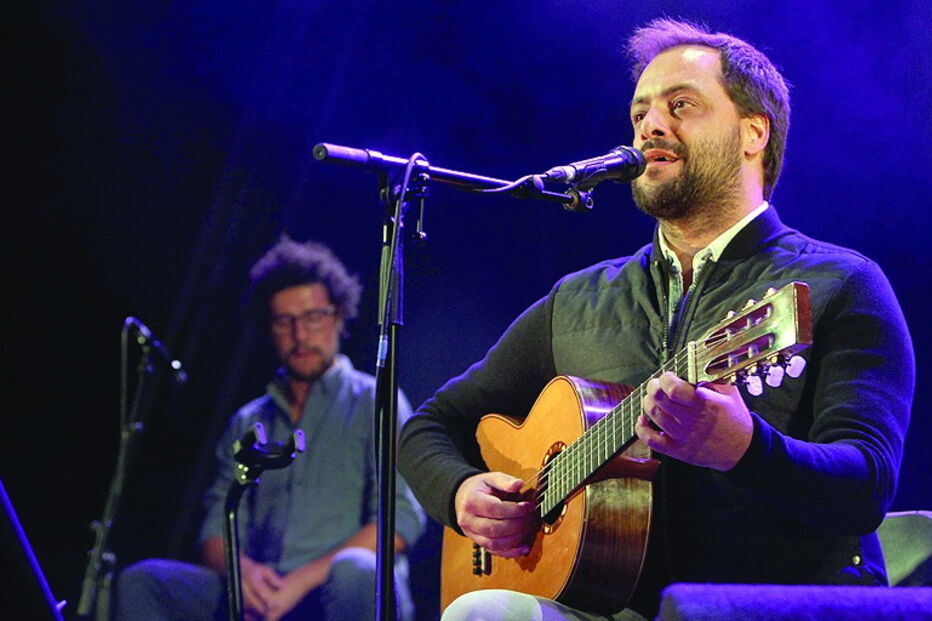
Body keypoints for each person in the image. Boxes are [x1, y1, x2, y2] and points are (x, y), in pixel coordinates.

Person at [398, 18, 914, 621]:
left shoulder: (839, 284)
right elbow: (428, 427)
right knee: (482, 610)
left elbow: (867, 486)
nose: (650, 126)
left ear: (753, 132)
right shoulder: (580, 298)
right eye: (640, 112)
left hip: (772, 606)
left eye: (681, 105)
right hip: (611, 608)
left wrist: (746, 449)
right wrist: (461, 492)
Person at [117, 237, 425, 621]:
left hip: (337, 592)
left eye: (313, 317)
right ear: (268, 327)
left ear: (339, 316)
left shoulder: (375, 400)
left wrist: (299, 582)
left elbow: (402, 519)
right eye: (284, 321)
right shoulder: (247, 421)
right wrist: (243, 574)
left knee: (357, 570)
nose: (300, 335)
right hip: (262, 594)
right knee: (143, 582)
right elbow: (214, 529)